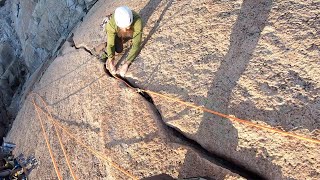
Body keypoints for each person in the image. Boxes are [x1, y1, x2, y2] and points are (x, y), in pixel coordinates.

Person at [104, 6, 142, 77]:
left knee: (129, 34)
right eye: (123, 28)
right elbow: (110, 45)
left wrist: (127, 63)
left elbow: (136, 44)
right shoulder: (111, 25)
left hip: (127, 28)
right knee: (118, 49)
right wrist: (111, 63)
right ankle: (117, 37)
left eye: (128, 26)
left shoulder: (137, 21)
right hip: (115, 30)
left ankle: (124, 36)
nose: (126, 29)